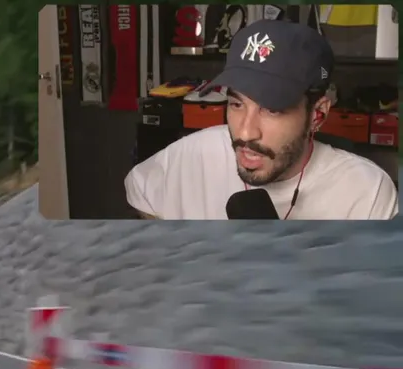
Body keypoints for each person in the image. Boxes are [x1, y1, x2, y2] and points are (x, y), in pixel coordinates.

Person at [124, 19, 398, 220]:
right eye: (236, 104)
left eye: (272, 109)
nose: (245, 132)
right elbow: (140, 190)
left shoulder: (366, 194)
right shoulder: (193, 155)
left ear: (318, 114)